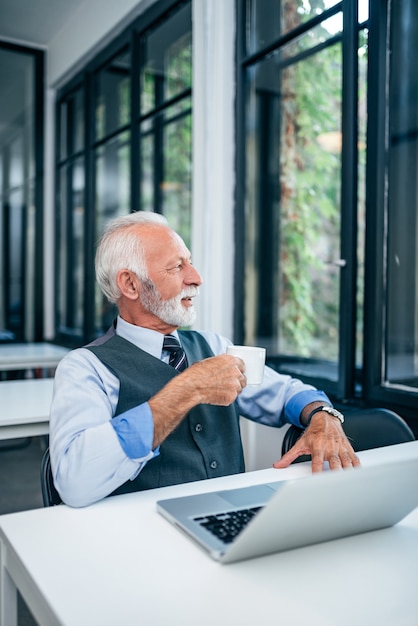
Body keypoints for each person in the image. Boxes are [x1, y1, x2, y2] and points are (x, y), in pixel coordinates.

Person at [49, 211, 360, 507]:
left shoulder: (214, 345)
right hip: (144, 541)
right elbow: (74, 482)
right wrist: (187, 389)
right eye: (177, 267)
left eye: (191, 264)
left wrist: (322, 414)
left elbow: (284, 393)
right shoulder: (84, 368)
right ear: (130, 284)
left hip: (231, 526)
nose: (196, 278)